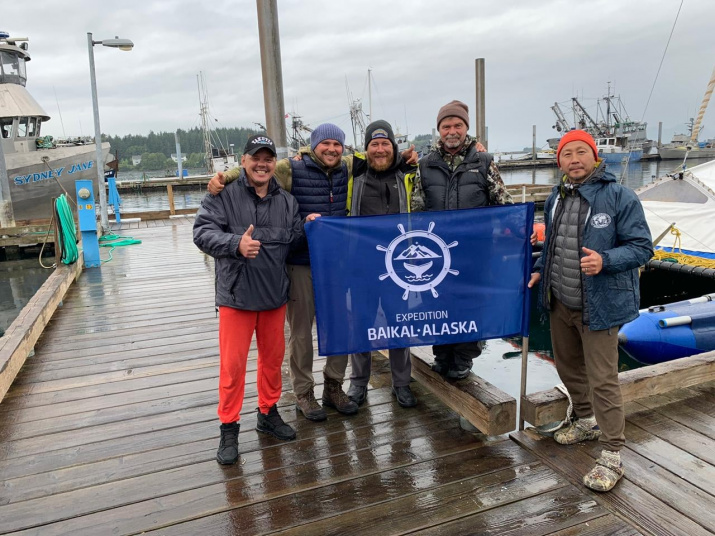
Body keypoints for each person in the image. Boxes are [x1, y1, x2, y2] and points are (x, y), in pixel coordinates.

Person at [528, 129, 653, 492]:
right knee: (568, 368)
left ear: (595, 157)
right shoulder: (556, 197)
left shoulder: (619, 196)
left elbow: (642, 247)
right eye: (567, 155)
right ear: (560, 162)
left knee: (604, 380)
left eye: (582, 152)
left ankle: (613, 452)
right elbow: (553, 243)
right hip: (560, 301)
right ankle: (585, 420)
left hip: (600, 305)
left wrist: (607, 260)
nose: (574, 159)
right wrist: (539, 271)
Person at [207, 124, 360, 422]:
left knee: (342, 327)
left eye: (337, 144)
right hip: (300, 261)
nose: (331, 149)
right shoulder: (291, 168)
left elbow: (378, 154)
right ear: (313, 146)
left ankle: (334, 385)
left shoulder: (346, 167)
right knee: (301, 333)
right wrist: (224, 177)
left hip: (337, 264)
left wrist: (407, 156)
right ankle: (304, 392)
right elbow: (256, 168)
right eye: (325, 143)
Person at [194, 134, 314, 465]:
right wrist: (236, 244)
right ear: (243, 161)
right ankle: (229, 427)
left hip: (275, 297)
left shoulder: (286, 201)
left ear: (274, 164)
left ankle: (267, 412)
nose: (262, 164)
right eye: (255, 158)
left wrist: (309, 225)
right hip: (236, 297)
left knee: (272, 361)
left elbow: (291, 236)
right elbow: (201, 233)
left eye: (268, 158)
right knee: (232, 367)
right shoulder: (221, 194)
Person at [412, 99, 513, 379]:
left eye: (457, 125)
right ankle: (442, 354)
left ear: (466, 128)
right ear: (439, 130)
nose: (452, 130)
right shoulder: (425, 164)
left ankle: (463, 358)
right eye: (446, 126)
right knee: (437, 304)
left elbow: (504, 204)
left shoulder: (483, 162)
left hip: (476, 253)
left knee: (472, 305)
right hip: (437, 253)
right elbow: (417, 209)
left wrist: (519, 228)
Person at [345, 120, 419, 409]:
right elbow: (318, 156)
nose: (379, 149)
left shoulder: (409, 172)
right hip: (361, 265)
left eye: (385, 143)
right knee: (360, 326)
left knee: (400, 325)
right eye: (374, 144)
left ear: (393, 147)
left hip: (399, 266)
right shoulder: (354, 172)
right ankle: (358, 383)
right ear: (366, 149)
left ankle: (401, 383)